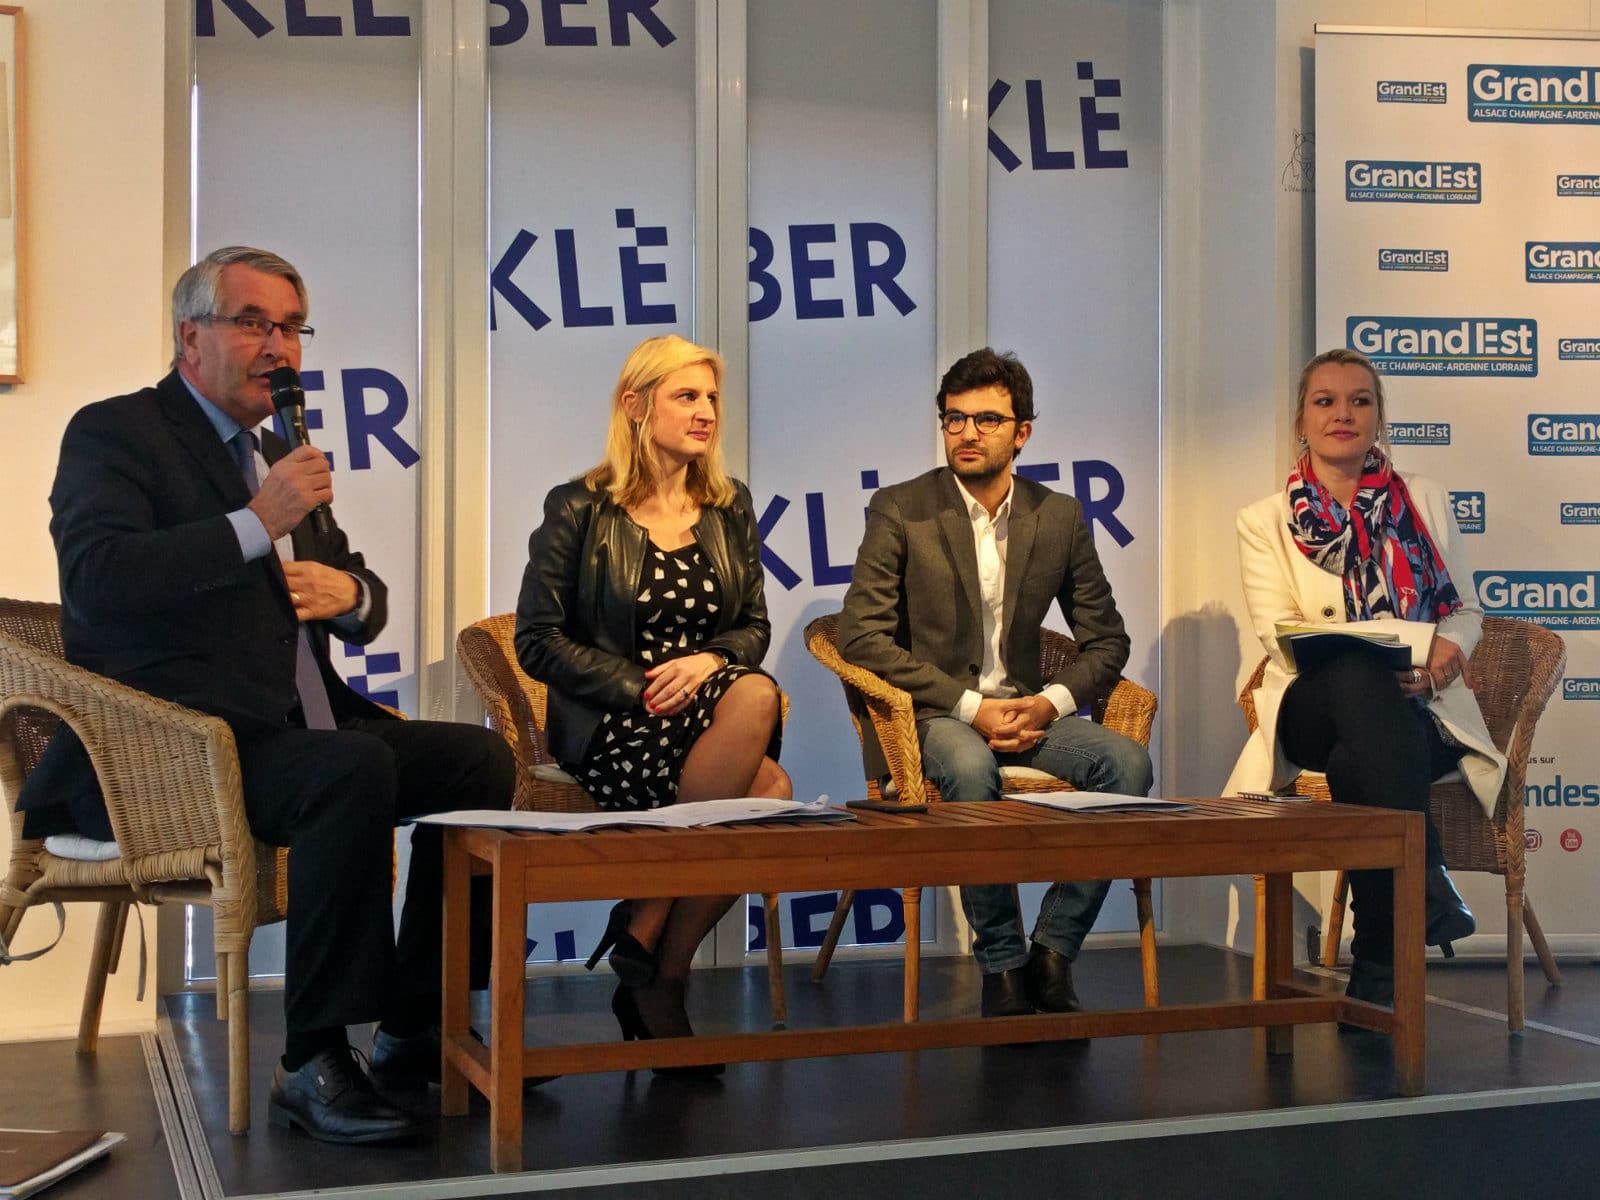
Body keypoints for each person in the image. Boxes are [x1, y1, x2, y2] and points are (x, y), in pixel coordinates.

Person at [19, 246, 517, 1144]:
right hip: (178, 743)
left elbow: (356, 595)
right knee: (349, 771)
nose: (278, 346)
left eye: (291, 327)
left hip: (293, 729)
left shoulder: (277, 453)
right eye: (254, 323)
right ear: (190, 336)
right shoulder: (118, 433)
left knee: (478, 756)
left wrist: (351, 597)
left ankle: (414, 1026)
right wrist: (257, 524)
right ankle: (313, 1059)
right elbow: (99, 580)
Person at [837, 348, 1153, 1019]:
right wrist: (971, 706)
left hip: (1028, 710)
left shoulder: (1057, 516)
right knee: (970, 767)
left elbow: (1107, 640)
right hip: (936, 713)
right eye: (955, 419)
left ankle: (1054, 951)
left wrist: (1051, 701)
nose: (968, 432)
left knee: (1126, 764)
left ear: (1022, 432)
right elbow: (861, 637)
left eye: (986, 419)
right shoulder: (900, 509)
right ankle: (1003, 964)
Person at [514, 333, 789, 1075]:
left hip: (707, 716)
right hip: (613, 725)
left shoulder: (730, 509)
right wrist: (640, 685)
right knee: (769, 789)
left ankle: (652, 940)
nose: (705, 413)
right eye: (686, 397)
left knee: (754, 703)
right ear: (635, 406)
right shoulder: (579, 507)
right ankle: (659, 966)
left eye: (711, 398)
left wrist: (707, 661)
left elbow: (753, 630)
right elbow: (535, 641)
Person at [1225, 347, 1506, 1014]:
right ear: (1302, 420)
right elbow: (1281, 635)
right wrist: (1401, 647)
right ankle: (1425, 890)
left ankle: (1382, 947)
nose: (1343, 414)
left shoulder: (1427, 500)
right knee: (1354, 672)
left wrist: (1443, 654)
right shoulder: (1263, 520)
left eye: (1360, 400)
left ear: (1379, 417)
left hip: (1418, 711)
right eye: (1325, 401)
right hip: (1312, 707)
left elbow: (1464, 609)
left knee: (1366, 757)